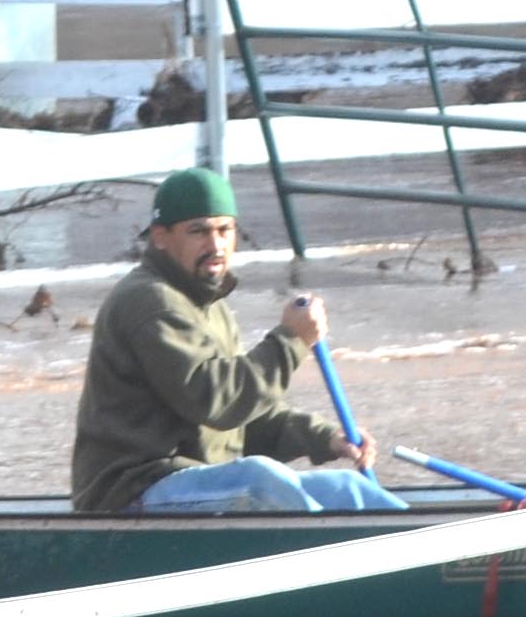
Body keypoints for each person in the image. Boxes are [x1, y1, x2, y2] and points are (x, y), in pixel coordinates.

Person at [69, 169, 411, 515]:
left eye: (225, 230)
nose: (215, 245)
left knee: (346, 489)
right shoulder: (150, 301)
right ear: (160, 237)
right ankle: (348, 555)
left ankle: (426, 553)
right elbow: (216, 401)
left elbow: (243, 420)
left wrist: (324, 438)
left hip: (195, 481)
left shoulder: (207, 303)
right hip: (133, 492)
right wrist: (291, 340)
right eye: (198, 231)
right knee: (258, 480)